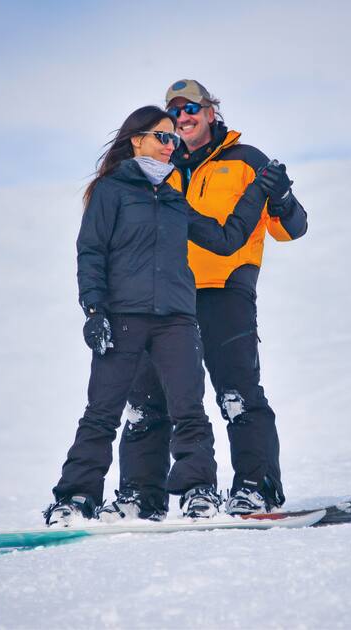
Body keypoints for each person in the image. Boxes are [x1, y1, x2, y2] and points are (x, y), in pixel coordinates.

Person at [44, 105, 270, 526]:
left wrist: (257, 192)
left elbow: (225, 239)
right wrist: (94, 310)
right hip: (124, 317)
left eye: (173, 139)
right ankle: (75, 498)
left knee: (190, 410)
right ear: (137, 141)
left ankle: (199, 493)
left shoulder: (173, 197)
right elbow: (90, 251)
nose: (171, 145)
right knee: (102, 413)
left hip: (177, 320)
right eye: (161, 137)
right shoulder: (111, 191)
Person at [104, 80, 308, 520]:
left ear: (211, 111)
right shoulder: (162, 165)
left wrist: (284, 196)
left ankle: (256, 487)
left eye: (191, 107)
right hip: (164, 297)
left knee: (237, 393)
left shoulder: (246, 161)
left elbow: (290, 229)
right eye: (174, 111)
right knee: (147, 400)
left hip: (226, 288)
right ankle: (143, 495)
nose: (183, 117)